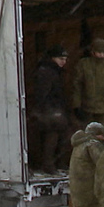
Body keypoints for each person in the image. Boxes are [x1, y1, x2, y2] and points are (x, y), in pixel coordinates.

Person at [71, 38, 104, 138]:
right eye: (99, 52)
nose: (101, 55)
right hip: (87, 109)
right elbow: (77, 86)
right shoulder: (84, 65)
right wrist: (76, 106)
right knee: (88, 139)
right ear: (93, 52)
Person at [30, 45, 71, 174]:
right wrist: (49, 110)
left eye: (65, 59)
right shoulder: (47, 72)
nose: (64, 62)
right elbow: (42, 94)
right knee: (52, 137)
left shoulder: (51, 71)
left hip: (53, 110)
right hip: (50, 112)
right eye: (61, 59)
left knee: (58, 137)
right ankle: (49, 165)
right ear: (53, 58)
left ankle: (55, 164)